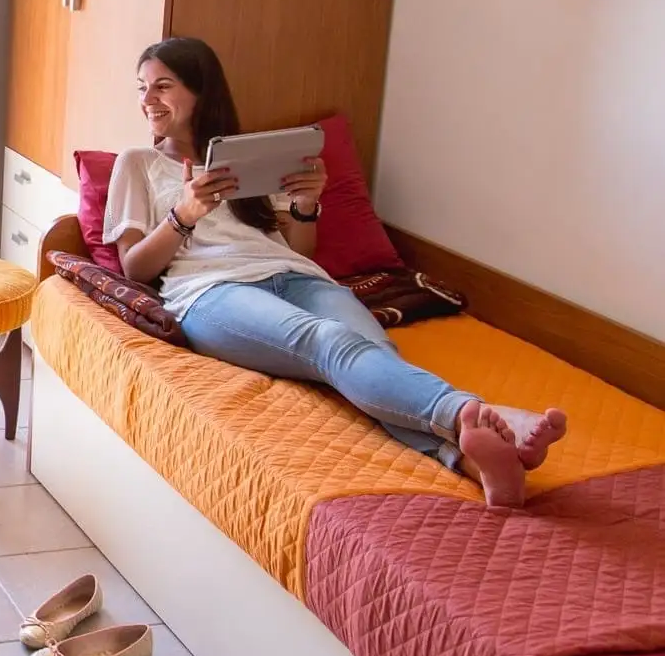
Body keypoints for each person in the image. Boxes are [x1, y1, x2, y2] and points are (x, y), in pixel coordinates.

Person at [102, 37, 566, 508]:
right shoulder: (137, 163)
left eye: (162, 86)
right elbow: (134, 267)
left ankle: (469, 458)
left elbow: (302, 248)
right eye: (142, 88)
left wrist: (306, 204)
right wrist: (184, 214)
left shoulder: (245, 158)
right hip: (211, 290)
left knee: (376, 352)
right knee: (328, 341)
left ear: (202, 92)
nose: (147, 101)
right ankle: (472, 412)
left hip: (295, 275)